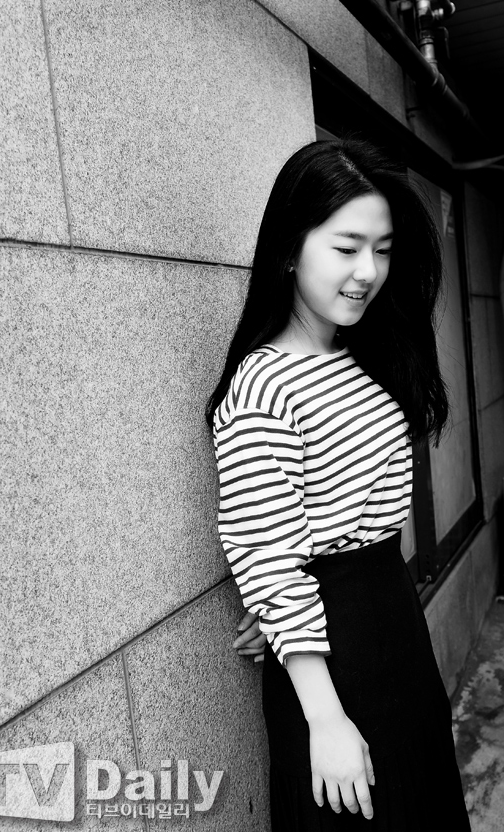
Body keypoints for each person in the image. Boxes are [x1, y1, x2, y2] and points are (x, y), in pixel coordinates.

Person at [205, 138, 471, 830]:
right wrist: (324, 717)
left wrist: (286, 611)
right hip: (332, 670)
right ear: (290, 250)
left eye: (382, 249)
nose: (368, 271)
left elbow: (342, 514)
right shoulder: (264, 385)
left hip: (392, 618)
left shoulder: (364, 355)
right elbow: (268, 554)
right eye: (347, 247)